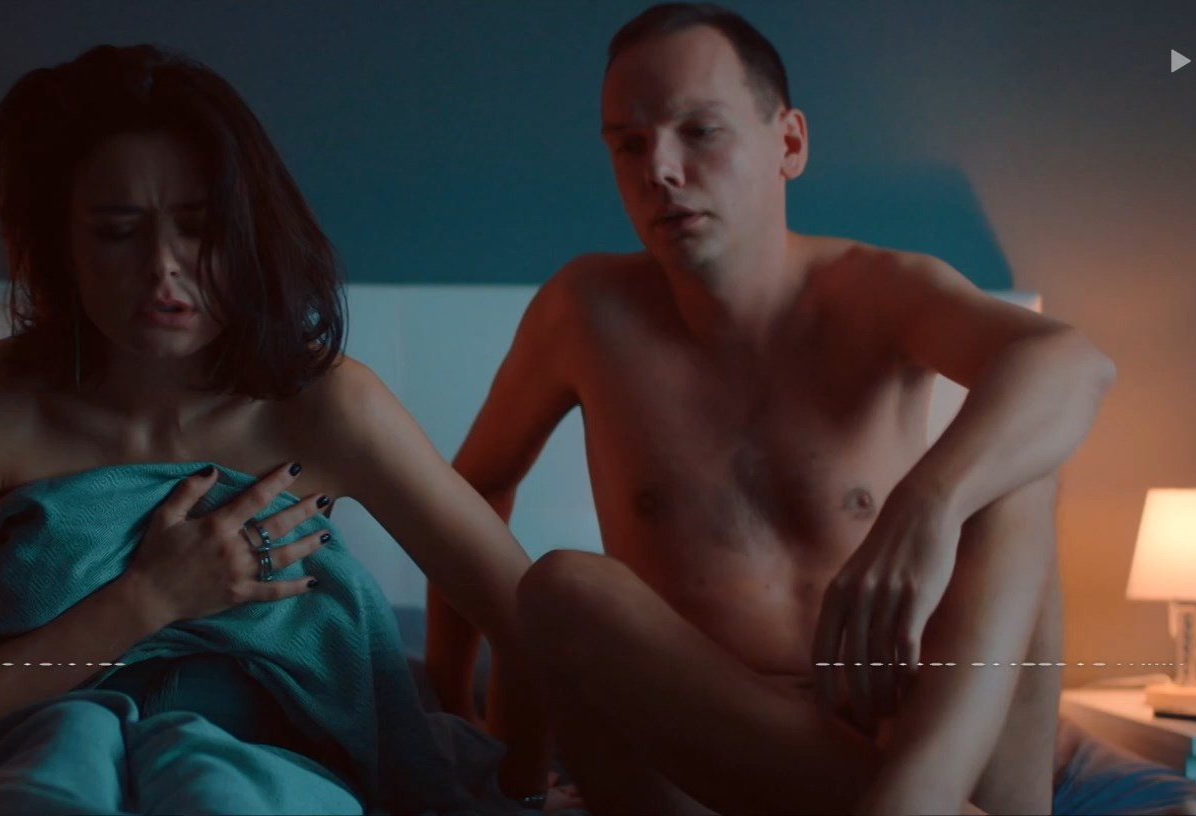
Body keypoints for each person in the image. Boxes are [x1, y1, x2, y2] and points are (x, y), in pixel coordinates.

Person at [426, 4, 1116, 814]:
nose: (661, 170)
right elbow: (471, 492)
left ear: (788, 143)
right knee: (563, 589)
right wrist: (449, 706)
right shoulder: (585, 312)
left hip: (903, 739)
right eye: (629, 144)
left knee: (1019, 470)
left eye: (700, 132)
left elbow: (1073, 362)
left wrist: (927, 504)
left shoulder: (876, 291)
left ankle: (915, 800)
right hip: (691, 770)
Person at [0, 43, 546, 804]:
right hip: (37, 759)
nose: (163, 265)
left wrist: (519, 789)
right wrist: (150, 598)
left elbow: (536, 624)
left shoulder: (326, 405)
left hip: (270, 780)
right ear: (64, 247)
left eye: (198, 227)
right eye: (117, 231)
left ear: (249, 234)